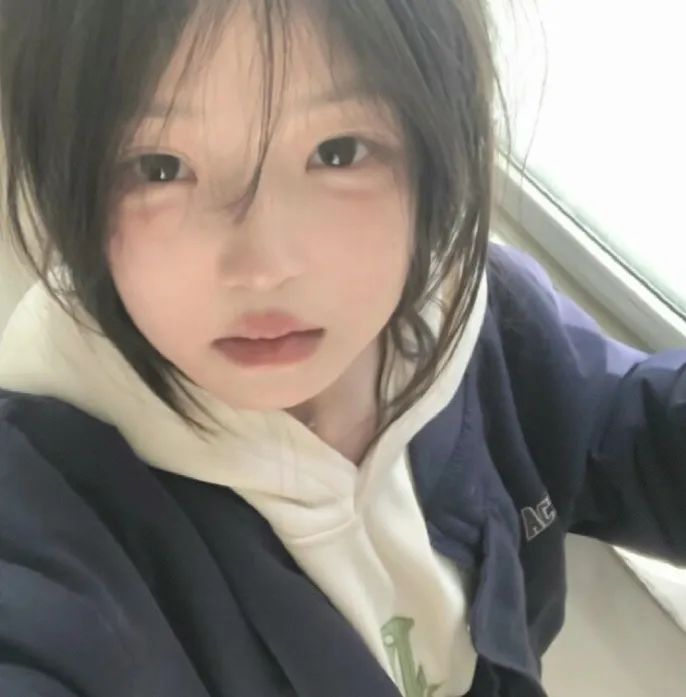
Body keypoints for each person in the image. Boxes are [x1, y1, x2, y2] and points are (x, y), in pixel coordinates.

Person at [0, 1, 683, 696]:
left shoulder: (484, 318)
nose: (264, 267)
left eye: (337, 152)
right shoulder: (44, 496)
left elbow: (636, 424)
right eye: (159, 166)